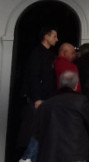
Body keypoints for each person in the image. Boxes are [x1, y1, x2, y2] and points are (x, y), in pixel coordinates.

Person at [35, 70, 89, 162]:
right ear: (76, 85)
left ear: (60, 84)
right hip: (75, 155)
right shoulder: (81, 102)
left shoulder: (47, 104)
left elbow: (37, 132)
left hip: (49, 155)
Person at [20, 27, 59, 161]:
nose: (57, 39)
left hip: (47, 98)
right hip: (40, 99)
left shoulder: (49, 55)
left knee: (43, 132)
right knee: (38, 131)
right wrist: (37, 98)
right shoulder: (37, 54)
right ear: (46, 36)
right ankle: (28, 157)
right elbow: (34, 77)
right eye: (54, 36)